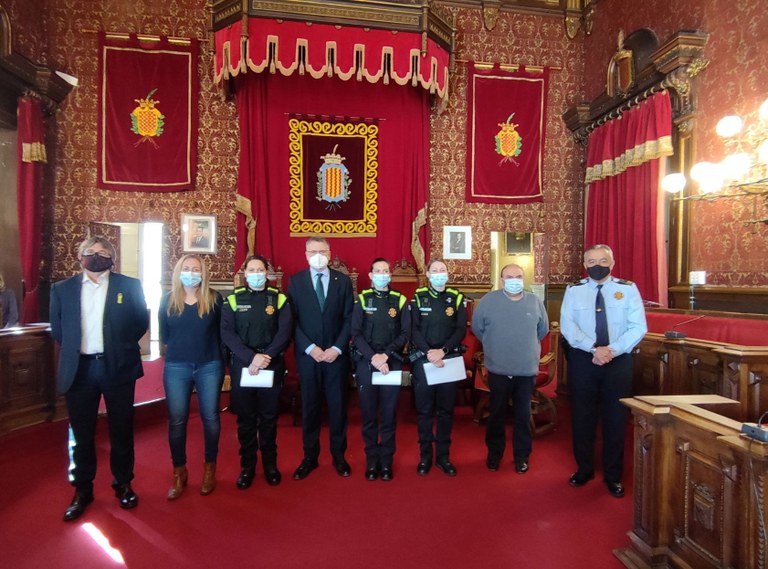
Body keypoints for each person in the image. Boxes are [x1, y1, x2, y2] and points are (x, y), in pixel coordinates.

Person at [50, 236, 148, 521]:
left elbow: (140, 322)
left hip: (117, 366)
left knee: (122, 429)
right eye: (90, 251)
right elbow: (58, 329)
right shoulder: (62, 289)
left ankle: (123, 483)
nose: (96, 255)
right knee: (81, 434)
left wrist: (119, 346)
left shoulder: (129, 286)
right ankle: (82, 489)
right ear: (80, 256)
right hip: (80, 369)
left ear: (112, 258)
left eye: (103, 252)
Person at [560, 244, 647, 498]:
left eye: (602, 260)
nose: (597, 265)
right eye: (591, 261)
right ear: (585, 265)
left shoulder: (627, 289)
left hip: (617, 362)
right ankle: (584, 469)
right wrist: (593, 348)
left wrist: (612, 350)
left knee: (615, 419)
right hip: (583, 359)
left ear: (612, 263)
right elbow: (568, 326)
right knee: (582, 416)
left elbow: (638, 327)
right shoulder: (574, 290)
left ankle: (613, 475)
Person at [221, 255, 292, 489]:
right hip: (244, 365)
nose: (256, 274)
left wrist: (265, 357)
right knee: (246, 418)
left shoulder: (279, 298)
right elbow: (227, 334)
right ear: (245, 273)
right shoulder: (233, 299)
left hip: (271, 363)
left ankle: (271, 465)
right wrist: (251, 357)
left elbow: (284, 332)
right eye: (251, 270)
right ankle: (247, 466)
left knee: (269, 418)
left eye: (259, 269)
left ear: (267, 272)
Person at [287, 236, 354, 480]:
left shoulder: (342, 281)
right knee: (310, 407)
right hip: (309, 357)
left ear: (329, 253)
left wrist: (337, 348)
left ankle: (339, 456)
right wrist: (310, 348)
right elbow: (291, 320)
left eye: (322, 251)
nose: (318, 255)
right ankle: (310, 457)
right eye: (312, 251)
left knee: (338, 408)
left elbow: (349, 318)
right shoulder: (295, 282)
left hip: (336, 356)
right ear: (306, 255)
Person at [471, 263, 548, 474]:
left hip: (525, 370)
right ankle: (494, 454)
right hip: (498, 368)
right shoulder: (488, 301)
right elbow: (478, 328)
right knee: (496, 414)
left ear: (523, 279)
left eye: (518, 276)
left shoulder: (534, 301)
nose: (514, 280)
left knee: (523, 415)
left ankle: (522, 456)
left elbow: (542, 330)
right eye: (509, 276)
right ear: (502, 280)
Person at [159, 254, 224, 500]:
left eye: (196, 269)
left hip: (210, 365)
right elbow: (164, 335)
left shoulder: (215, 299)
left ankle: (209, 469)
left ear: (203, 273)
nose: (191, 272)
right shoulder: (167, 300)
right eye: (186, 268)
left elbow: (222, 333)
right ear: (179, 271)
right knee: (177, 420)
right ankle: (179, 472)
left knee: (211, 418)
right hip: (177, 366)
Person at [350, 258, 411, 481]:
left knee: (388, 414)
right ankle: (371, 460)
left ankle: (386, 461)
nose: (382, 274)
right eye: (378, 271)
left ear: (390, 275)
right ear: (370, 275)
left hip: (391, 362)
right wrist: (373, 357)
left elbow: (405, 333)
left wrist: (385, 355)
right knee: (368, 415)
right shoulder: (362, 299)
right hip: (367, 362)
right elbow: (355, 333)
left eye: (386, 271)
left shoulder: (400, 300)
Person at [410, 259, 467, 476]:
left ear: (448, 273)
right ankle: (425, 456)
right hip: (424, 360)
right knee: (424, 411)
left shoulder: (457, 297)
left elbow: (460, 329)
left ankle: (443, 456)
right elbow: (413, 330)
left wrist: (442, 351)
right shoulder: (418, 296)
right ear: (428, 274)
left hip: (448, 360)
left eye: (442, 270)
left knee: (446, 411)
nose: (439, 273)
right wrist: (429, 352)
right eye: (435, 270)